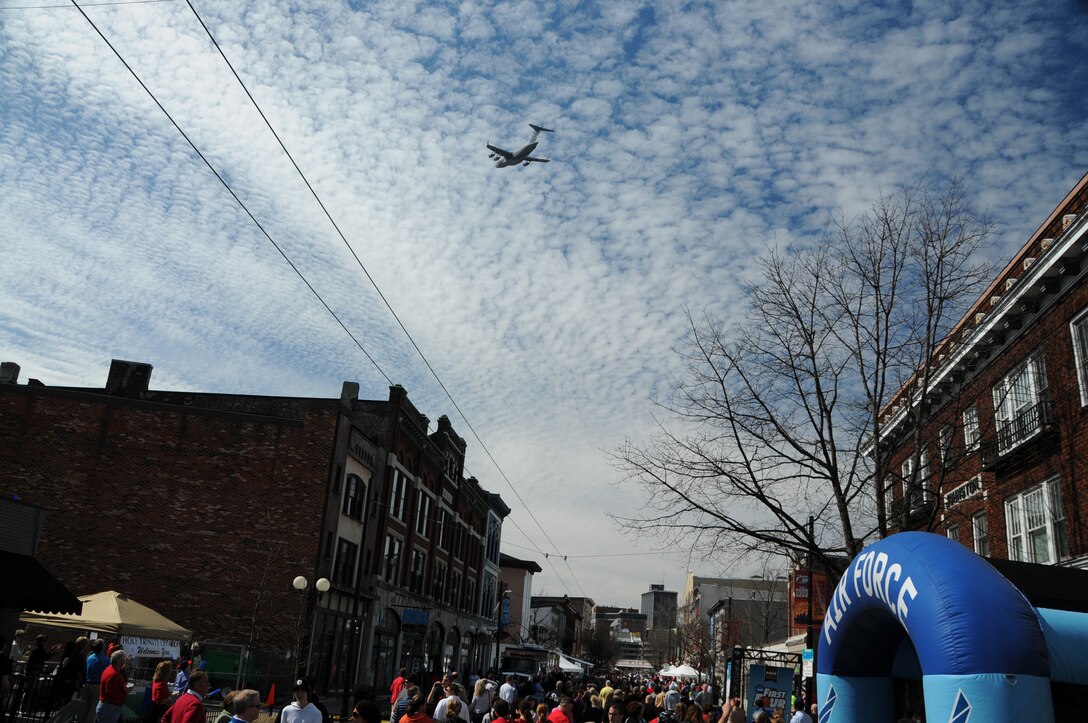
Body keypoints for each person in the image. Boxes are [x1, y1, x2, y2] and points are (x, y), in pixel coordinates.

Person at [96, 650, 128, 723]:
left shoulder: (110, 669)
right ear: (120, 661)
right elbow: (110, 693)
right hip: (109, 708)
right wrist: (125, 691)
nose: (124, 662)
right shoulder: (113, 674)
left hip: (108, 708)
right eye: (124, 660)